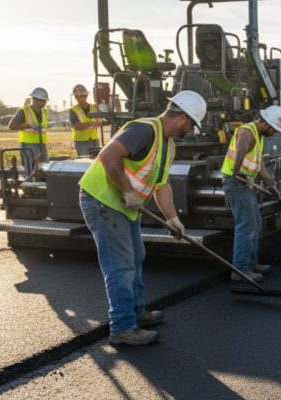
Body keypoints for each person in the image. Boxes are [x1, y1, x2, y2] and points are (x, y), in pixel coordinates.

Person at [78, 90, 206, 345]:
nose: (191, 130)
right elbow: (107, 156)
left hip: (125, 206)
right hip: (103, 201)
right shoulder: (144, 130)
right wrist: (128, 192)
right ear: (183, 118)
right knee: (120, 265)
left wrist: (172, 219)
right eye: (192, 124)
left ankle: (137, 312)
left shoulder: (167, 145)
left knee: (136, 256)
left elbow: (161, 186)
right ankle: (123, 327)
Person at [221, 105, 281, 282]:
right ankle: (240, 269)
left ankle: (251, 263)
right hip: (236, 184)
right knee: (246, 225)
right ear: (266, 123)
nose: (274, 133)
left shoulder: (259, 137)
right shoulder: (247, 131)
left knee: (256, 223)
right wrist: (238, 173)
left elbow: (259, 166)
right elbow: (241, 147)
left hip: (245, 184)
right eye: (274, 129)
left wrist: (271, 186)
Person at [8, 87, 49, 176]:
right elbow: (11, 125)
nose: (44, 103)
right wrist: (29, 125)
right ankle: (29, 187)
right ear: (34, 99)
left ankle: (42, 187)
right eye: (41, 100)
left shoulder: (44, 111)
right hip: (28, 145)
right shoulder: (24, 111)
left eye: (45, 101)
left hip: (42, 145)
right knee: (31, 169)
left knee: (44, 168)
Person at [69, 84, 102, 156]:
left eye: (82, 96)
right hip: (81, 142)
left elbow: (100, 121)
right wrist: (90, 124)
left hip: (94, 139)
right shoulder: (73, 110)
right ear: (75, 97)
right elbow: (75, 125)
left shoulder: (94, 107)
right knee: (85, 162)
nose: (80, 98)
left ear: (86, 96)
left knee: (96, 162)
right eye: (77, 96)